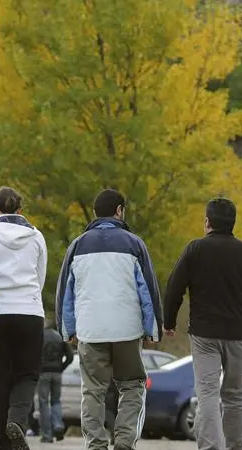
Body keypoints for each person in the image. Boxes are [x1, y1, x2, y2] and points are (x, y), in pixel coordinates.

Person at [162, 197, 242, 450]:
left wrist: (168, 321)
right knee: (235, 396)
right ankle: (238, 446)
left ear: (207, 222)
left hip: (204, 336)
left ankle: (211, 447)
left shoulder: (194, 249)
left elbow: (174, 288)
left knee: (207, 395)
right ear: (232, 223)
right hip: (239, 336)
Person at [55, 189, 162, 450]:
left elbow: (65, 294)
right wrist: (152, 328)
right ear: (119, 210)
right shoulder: (134, 243)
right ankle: (125, 441)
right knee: (132, 386)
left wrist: (67, 329)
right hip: (127, 329)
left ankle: (96, 444)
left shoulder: (77, 245)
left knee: (92, 391)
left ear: (94, 213)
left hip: (90, 330)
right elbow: (147, 290)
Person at [0, 187, 48, 450]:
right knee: (27, 374)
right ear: (20, 210)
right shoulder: (36, 237)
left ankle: (0, 444)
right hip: (29, 311)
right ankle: (16, 420)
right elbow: (40, 276)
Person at [38, 318, 74, 443]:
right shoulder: (59, 336)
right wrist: (61, 368)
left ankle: (47, 435)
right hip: (57, 372)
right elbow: (70, 356)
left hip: (43, 373)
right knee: (56, 401)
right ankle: (58, 425)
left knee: (43, 402)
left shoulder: (39, 336)